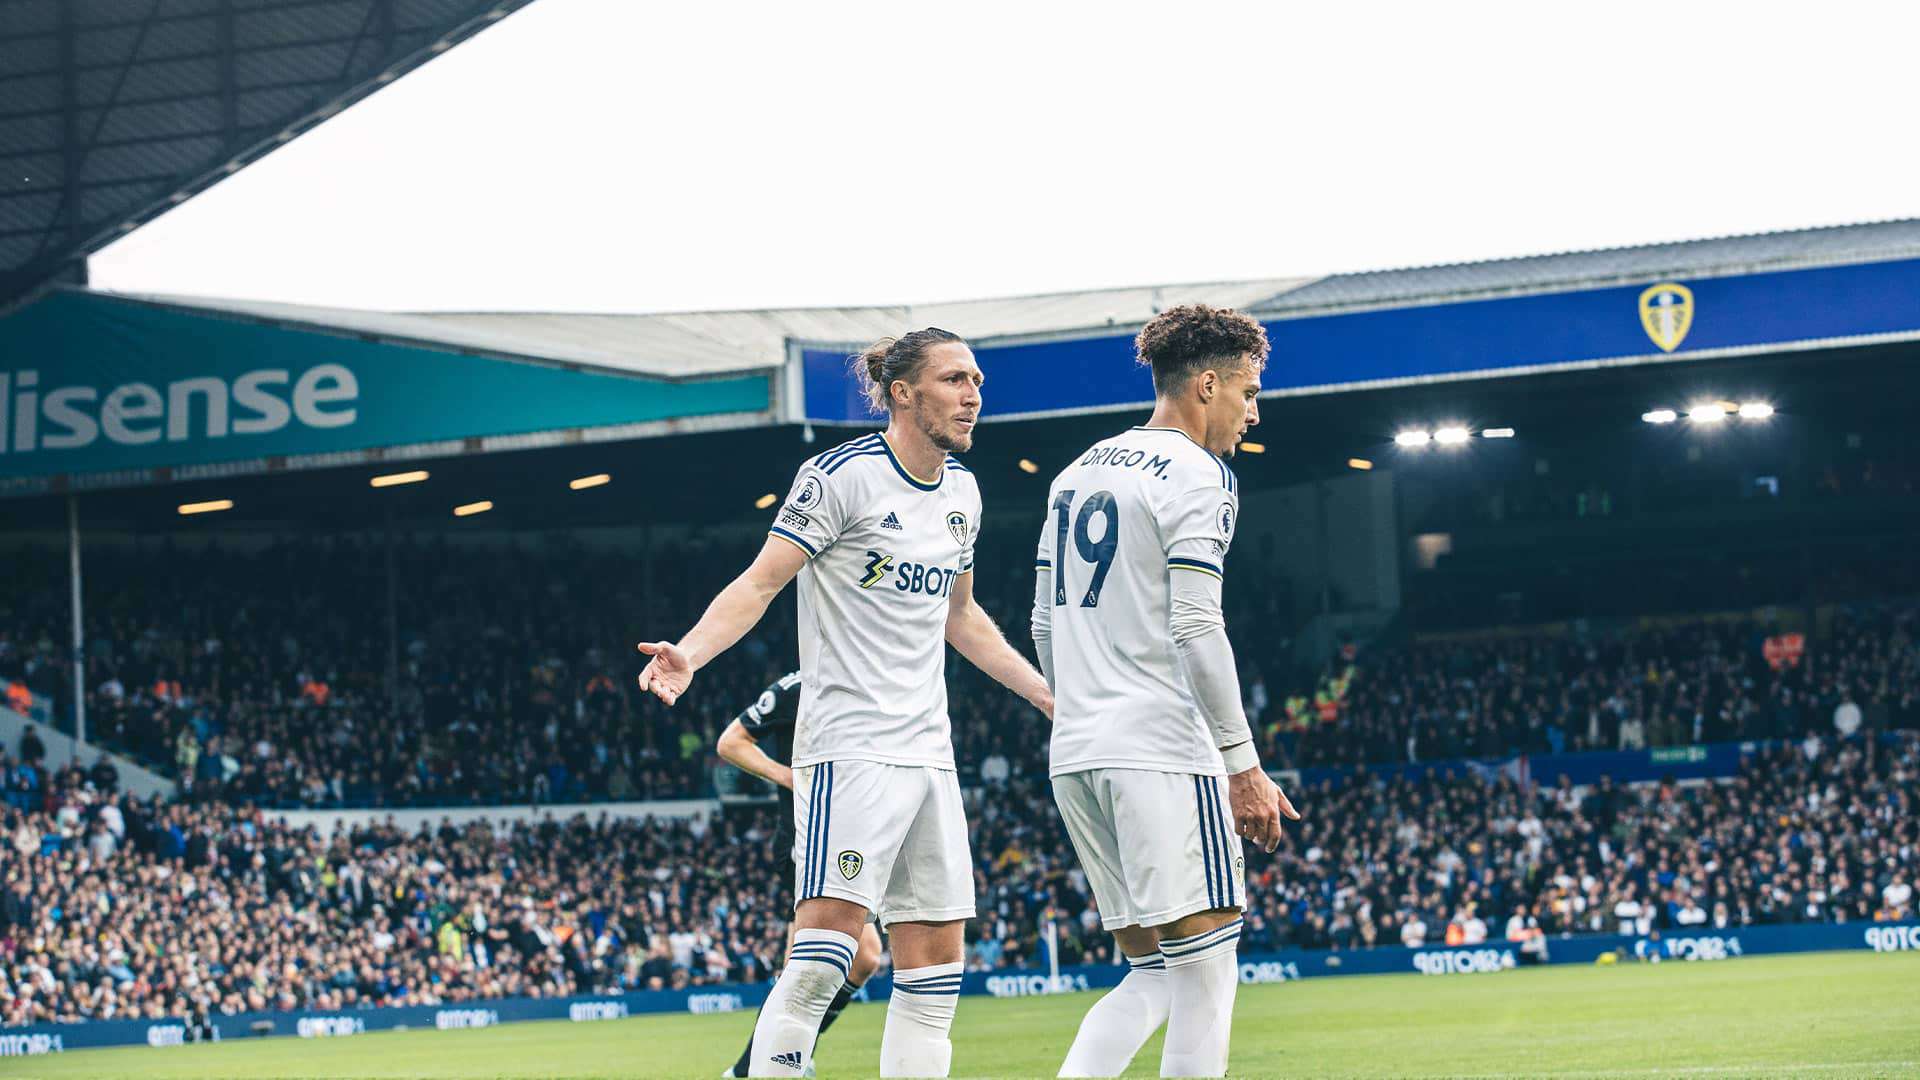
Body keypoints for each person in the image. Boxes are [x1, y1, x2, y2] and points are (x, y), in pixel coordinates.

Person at [637, 328, 1052, 1078]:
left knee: (934, 977)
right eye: (955, 379)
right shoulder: (839, 476)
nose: (973, 396)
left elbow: (962, 617)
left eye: (978, 381)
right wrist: (689, 653)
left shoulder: (963, 491)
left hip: (931, 755)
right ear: (903, 392)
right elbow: (761, 581)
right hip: (850, 748)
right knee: (823, 960)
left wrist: (1044, 693)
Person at [1033, 305, 1300, 1079]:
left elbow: (1044, 624)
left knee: (1154, 972)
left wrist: (1082, 709)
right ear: (1207, 384)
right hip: (1161, 750)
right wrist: (1242, 765)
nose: (1253, 413)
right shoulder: (1201, 474)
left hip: (1079, 751)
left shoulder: (1078, 470)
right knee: (1209, 973)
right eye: (1249, 393)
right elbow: (1194, 623)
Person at [717, 671, 884, 1079]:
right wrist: (788, 776)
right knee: (806, 965)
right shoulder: (798, 687)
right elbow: (731, 742)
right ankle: (752, 1069)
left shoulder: (872, 682)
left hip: (850, 840)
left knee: (864, 958)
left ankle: (788, 1053)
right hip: (807, 841)